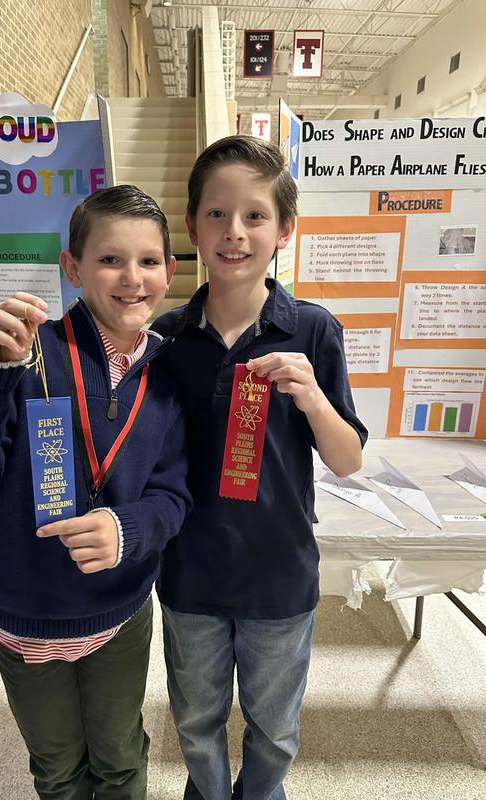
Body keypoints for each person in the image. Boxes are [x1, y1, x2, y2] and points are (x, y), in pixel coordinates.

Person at [0, 184, 191, 800]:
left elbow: (174, 493)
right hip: (25, 611)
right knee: (57, 768)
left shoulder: (173, 371)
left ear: (169, 271)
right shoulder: (22, 352)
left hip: (118, 611)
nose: (131, 278)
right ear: (72, 268)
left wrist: (129, 530)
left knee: (121, 758)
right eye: (109, 259)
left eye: (148, 261)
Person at [152, 136, 368, 800]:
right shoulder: (165, 338)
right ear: (191, 227)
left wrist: (310, 396)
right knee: (195, 722)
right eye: (216, 214)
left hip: (279, 573)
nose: (234, 232)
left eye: (254, 216)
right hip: (190, 574)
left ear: (284, 231)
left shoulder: (311, 330)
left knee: (274, 730)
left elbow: (348, 459)